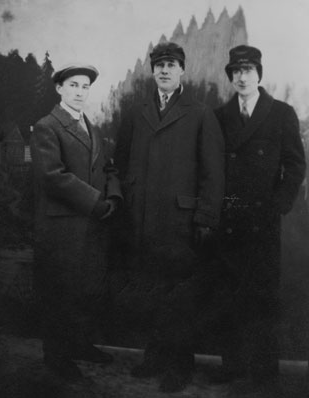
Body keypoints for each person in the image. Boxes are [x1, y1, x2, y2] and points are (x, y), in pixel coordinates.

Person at [114, 41, 225, 393]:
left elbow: (214, 172)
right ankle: (155, 357)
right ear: (152, 70)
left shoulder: (200, 112)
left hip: (181, 221)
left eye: (171, 64)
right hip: (143, 217)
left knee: (180, 296)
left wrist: (206, 217)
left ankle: (179, 364)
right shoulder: (135, 110)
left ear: (182, 71)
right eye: (158, 64)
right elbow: (119, 160)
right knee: (151, 291)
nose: (164, 70)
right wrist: (125, 200)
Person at [210, 45, 306, 388]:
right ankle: (232, 366)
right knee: (228, 294)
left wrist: (279, 203)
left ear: (259, 74)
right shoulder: (220, 116)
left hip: (263, 220)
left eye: (248, 70)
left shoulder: (281, 113)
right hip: (229, 219)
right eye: (235, 71)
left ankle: (265, 371)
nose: (241, 76)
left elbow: (295, 164)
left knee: (263, 296)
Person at [30, 63, 122, 381]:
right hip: (61, 227)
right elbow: (52, 177)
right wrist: (96, 202)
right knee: (60, 290)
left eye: (85, 87)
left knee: (86, 289)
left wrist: (113, 197)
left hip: (90, 223)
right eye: (73, 85)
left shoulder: (90, 126)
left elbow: (107, 168)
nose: (80, 92)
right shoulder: (47, 126)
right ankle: (57, 356)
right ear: (59, 89)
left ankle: (79, 344)